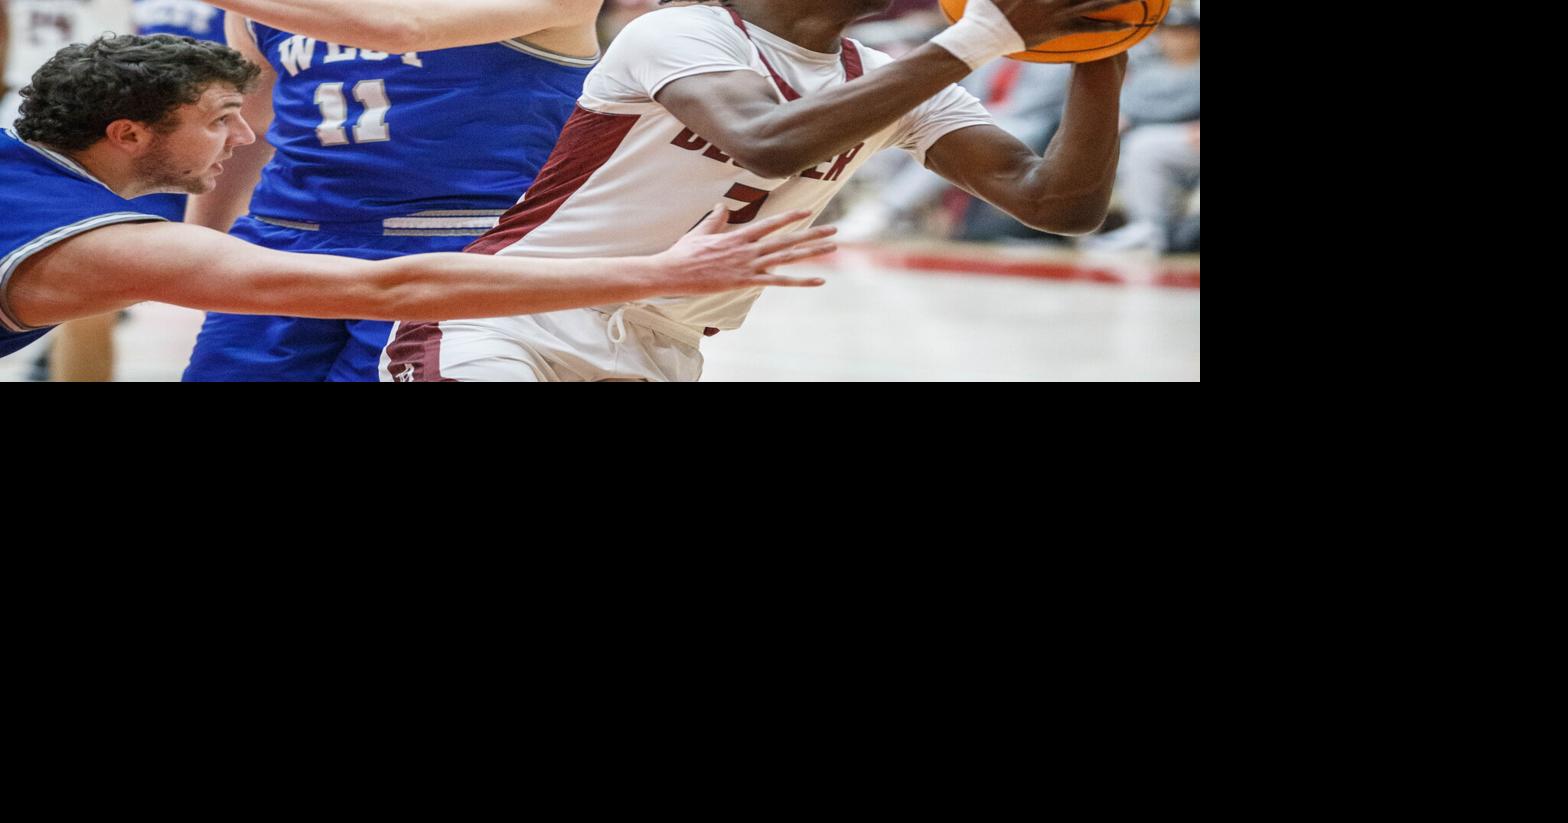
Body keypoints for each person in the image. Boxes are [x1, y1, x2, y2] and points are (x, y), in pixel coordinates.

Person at [384, 0, 1134, 382]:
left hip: (662, 351)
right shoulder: (680, 31)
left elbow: (1058, 204)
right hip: (508, 322)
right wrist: (981, 38)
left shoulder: (890, 75)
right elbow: (768, 142)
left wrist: (1099, 46)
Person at [1, 34, 833, 360]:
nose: (246, 135)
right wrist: (658, 271)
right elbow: (389, 289)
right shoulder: (105, 241)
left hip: (456, 236)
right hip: (303, 237)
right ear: (127, 135)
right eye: (219, 119)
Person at [181, 0, 610, 381]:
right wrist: (202, 247)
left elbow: (404, 27)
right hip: (286, 237)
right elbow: (245, 132)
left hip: (460, 243)